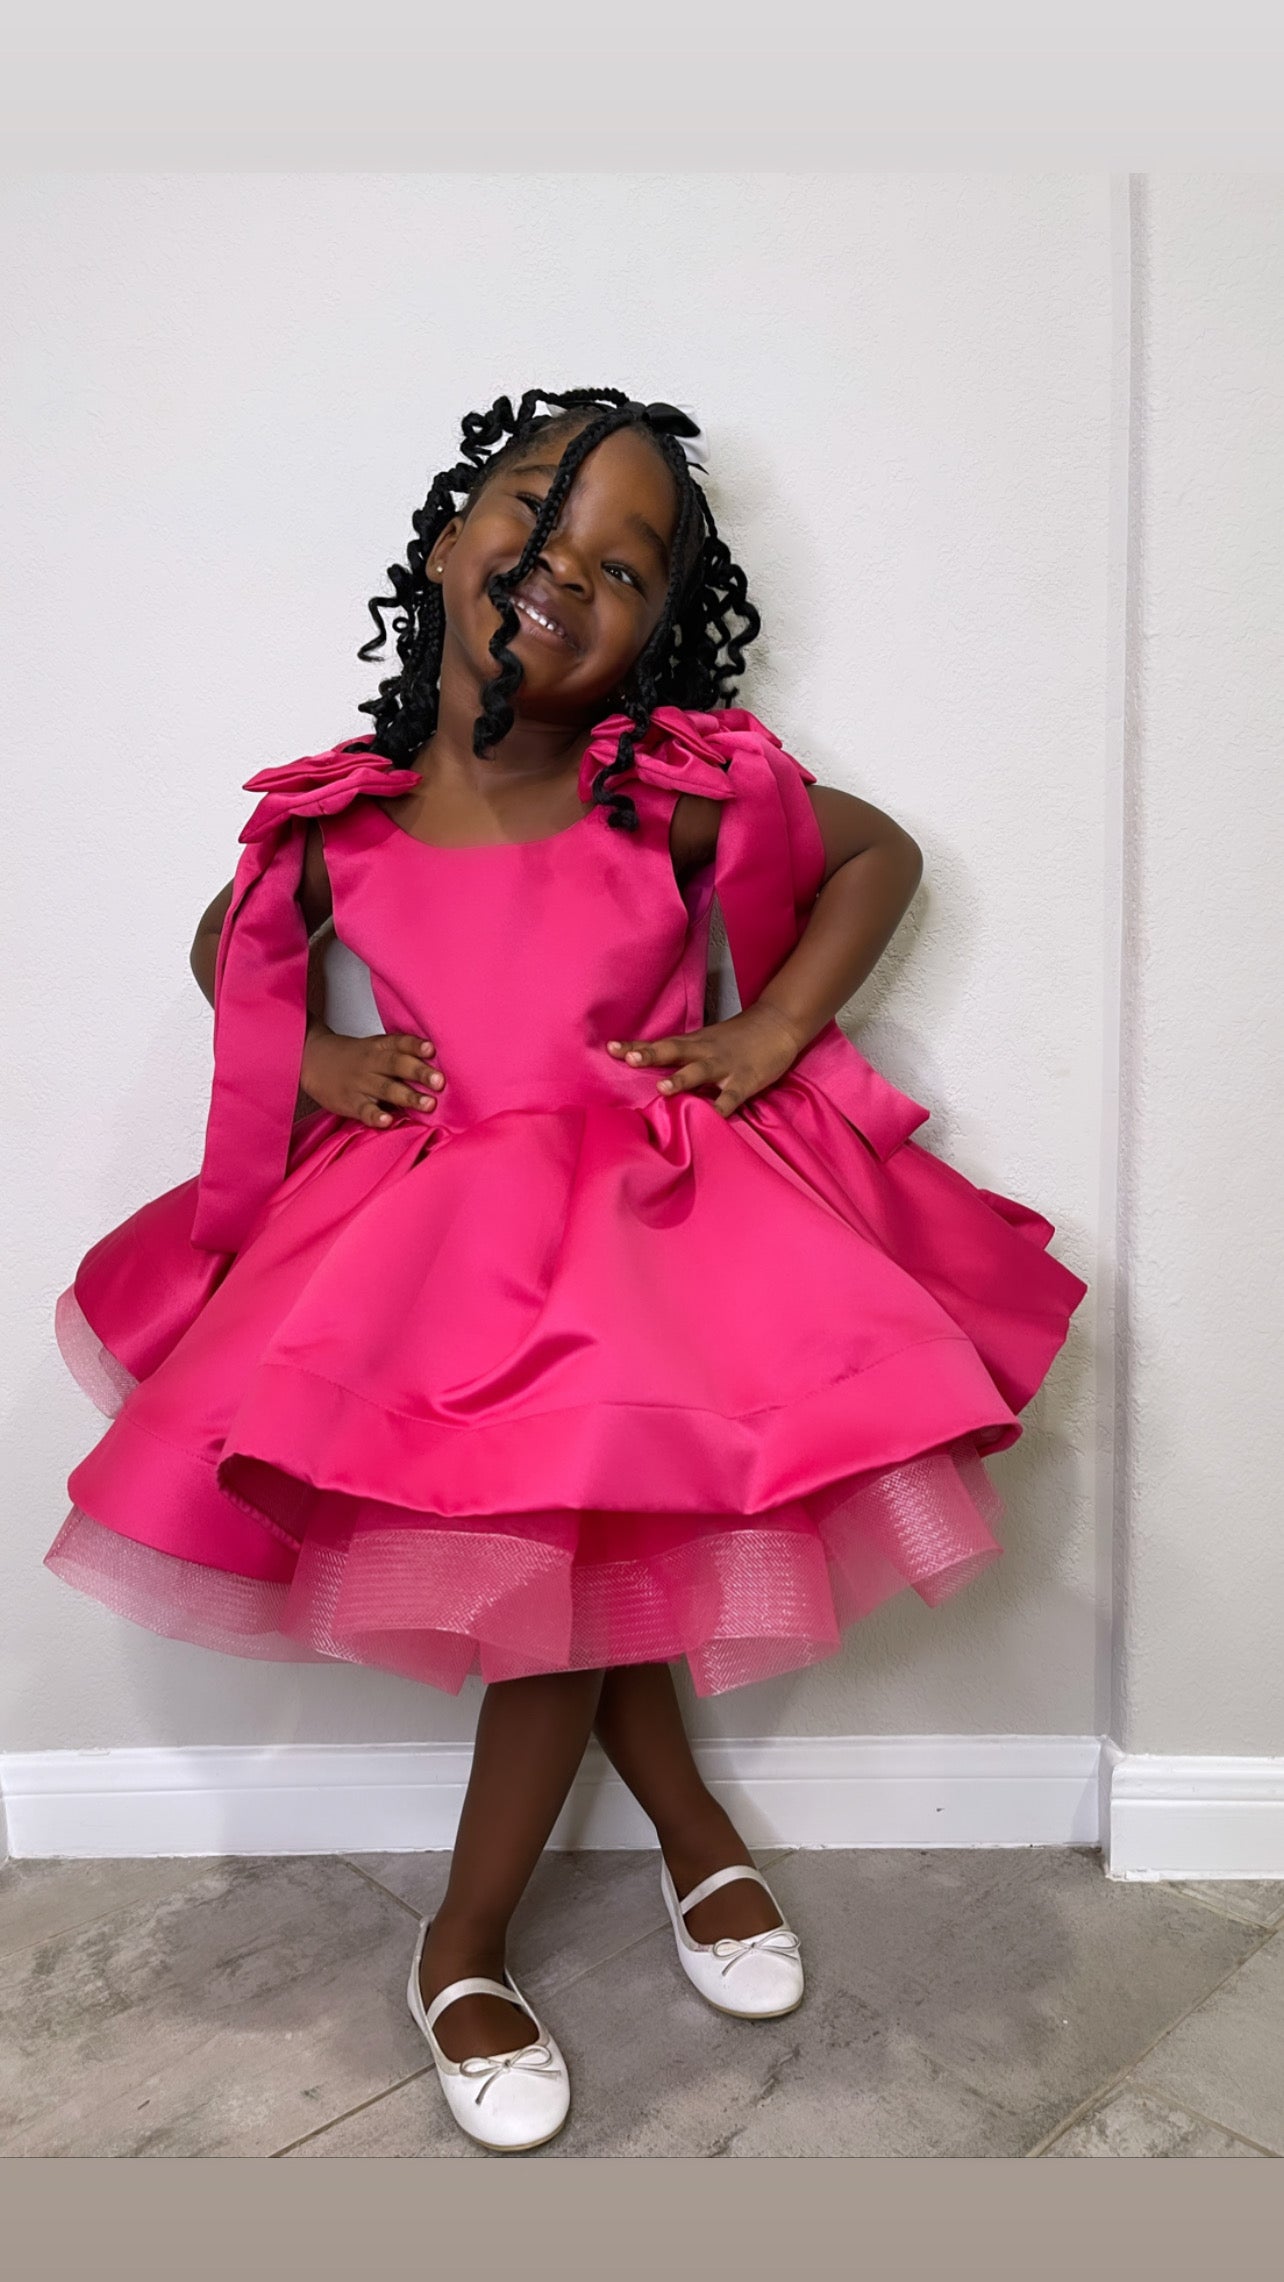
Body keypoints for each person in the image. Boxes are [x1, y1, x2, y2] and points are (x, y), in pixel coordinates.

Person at [46, 386, 1089, 2152]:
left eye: (625, 562)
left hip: (655, 1227)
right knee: (567, 1571)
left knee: (567, 1583)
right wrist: (315, 1063)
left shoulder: (668, 796)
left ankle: (467, 1932)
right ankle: (671, 1846)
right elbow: (232, 946)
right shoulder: (342, 822)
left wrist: (771, 1024)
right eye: (536, 512)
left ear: (660, 627)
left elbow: (877, 853)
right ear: (448, 540)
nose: (565, 568)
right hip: (443, 1248)